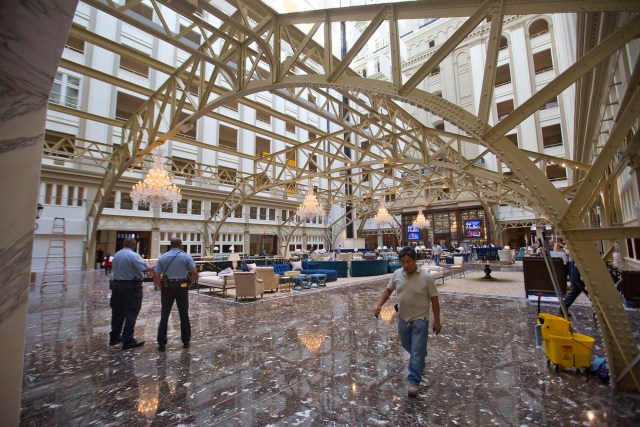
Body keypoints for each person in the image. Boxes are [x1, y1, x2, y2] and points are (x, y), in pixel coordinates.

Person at [373, 246, 441, 398]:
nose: (405, 265)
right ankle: (420, 358)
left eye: (408, 262)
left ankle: (414, 381)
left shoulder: (426, 277)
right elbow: (388, 291)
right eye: (402, 262)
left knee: (416, 351)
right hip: (403, 318)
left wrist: (437, 321)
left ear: (415, 260)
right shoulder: (397, 274)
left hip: (420, 319)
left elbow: (435, 300)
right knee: (407, 345)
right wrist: (379, 304)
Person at [155, 237, 197, 351]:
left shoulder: (163, 257)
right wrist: (190, 284)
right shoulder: (185, 256)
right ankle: (186, 340)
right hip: (182, 286)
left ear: (171, 244)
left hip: (167, 287)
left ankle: (162, 342)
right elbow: (194, 272)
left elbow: (156, 274)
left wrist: (160, 286)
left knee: (165, 314)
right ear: (180, 244)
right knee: (183, 313)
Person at [109, 238, 152, 350]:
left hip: (116, 285)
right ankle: (128, 339)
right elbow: (144, 268)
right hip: (131, 286)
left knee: (117, 312)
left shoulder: (117, 254)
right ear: (133, 244)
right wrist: (155, 266)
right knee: (131, 312)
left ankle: (114, 337)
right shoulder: (133, 255)